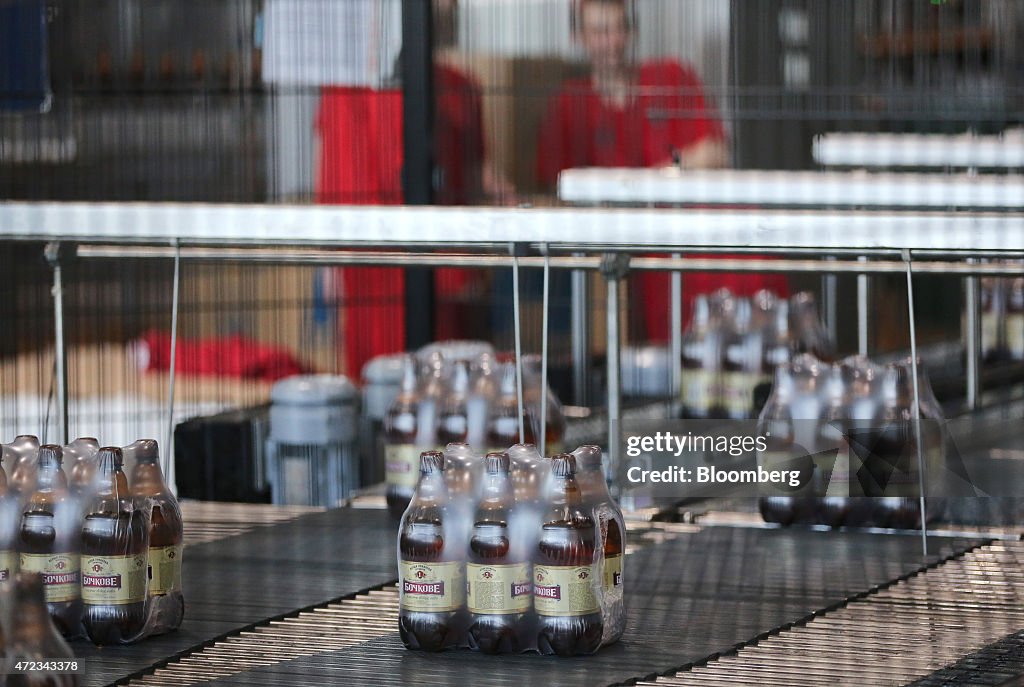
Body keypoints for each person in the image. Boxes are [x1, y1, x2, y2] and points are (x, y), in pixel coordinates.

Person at [536, 0, 788, 341]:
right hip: (623, 231)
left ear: (632, 31)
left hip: (686, 219)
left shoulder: (669, 76)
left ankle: (763, 347)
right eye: (599, 31)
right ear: (580, 37)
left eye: (617, 29)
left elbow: (715, 151)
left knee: (748, 231)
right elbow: (557, 185)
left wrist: (650, 181)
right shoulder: (570, 102)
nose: (610, 42)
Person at [316, 0, 514, 375]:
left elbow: (472, 173)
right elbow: (332, 175)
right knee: (380, 379)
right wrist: (329, 262)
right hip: (372, 264)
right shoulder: (346, 90)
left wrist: (496, 197)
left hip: (443, 261)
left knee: (447, 380)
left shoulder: (462, 86)